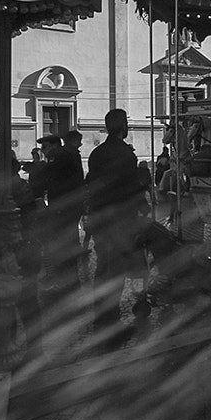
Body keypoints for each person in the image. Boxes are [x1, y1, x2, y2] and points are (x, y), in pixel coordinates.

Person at [84, 109, 146, 331]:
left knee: (102, 267)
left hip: (100, 217)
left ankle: (100, 314)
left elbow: (90, 183)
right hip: (120, 218)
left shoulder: (96, 154)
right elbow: (132, 189)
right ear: (123, 127)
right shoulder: (126, 155)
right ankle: (110, 319)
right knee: (116, 270)